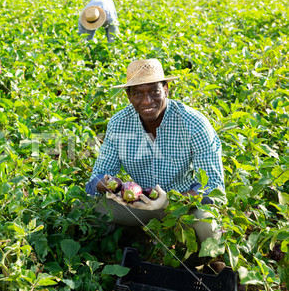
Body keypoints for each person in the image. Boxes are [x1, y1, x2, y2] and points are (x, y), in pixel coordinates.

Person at [85, 58, 225, 244]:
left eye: (154, 91)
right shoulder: (119, 124)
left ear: (166, 89)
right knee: (85, 212)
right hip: (137, 202)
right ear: (128, 95)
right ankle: (132, 240)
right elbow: (96, 178)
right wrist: (110, 185)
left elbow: (213, 185)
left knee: (209, 229)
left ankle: (198, 263)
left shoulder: (194, 124)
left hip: (182, 206)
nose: (147, 101)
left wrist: (170, 201)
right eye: (138, 94)